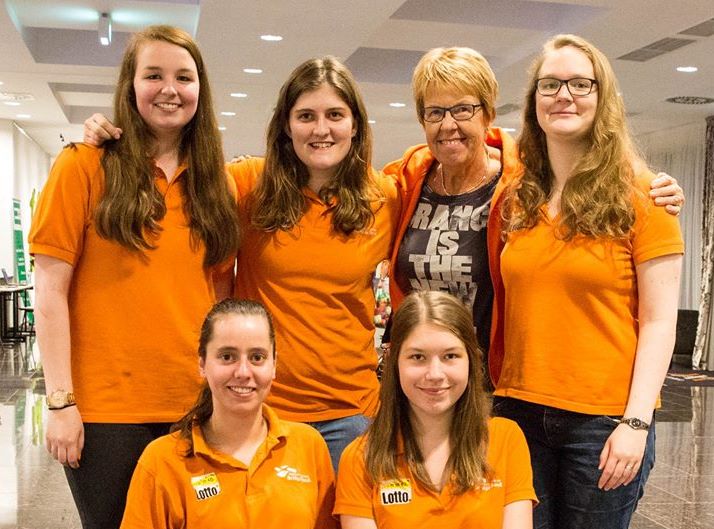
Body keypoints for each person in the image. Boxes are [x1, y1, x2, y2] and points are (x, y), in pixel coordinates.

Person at [83, 57, 401, 470]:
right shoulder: (250, 184)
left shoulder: (385, 198)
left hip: (352, 412)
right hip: (261, 406)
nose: (321, 130)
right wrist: (113, 141)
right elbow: (172, 170)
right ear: (286, 126)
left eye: (335, 115)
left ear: (355, 124)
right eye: (306, 116)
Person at [29, 25, 239, 529]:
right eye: (154, 75)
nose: (170, 89)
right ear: (131, 84)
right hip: (105, 413)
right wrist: (60, 402)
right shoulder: (82, 166)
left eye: (184, 77)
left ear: (199, 91)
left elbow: (219, 299)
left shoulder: (217, 185)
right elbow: (50, 290)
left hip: (194, 408)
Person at [383, 47, 684, 371]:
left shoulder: (525, 179)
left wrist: (650, 186)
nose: (448, 124)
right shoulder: (403, 183)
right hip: (415, 377)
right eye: (435, 112)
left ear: (487, 114)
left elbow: (592, 165)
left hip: (494, 382)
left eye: (462, 110)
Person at [493, 34, 684, 529]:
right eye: (550, 84)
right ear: (533, 99)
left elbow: (661, 322)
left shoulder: (644, 196)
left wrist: (636, 423)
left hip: (603, 422)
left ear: (603, 99)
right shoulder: (518, 198)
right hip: (517, 411)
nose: (564, 95)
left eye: (581, 83)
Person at [120, 298, 336, 529]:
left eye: (257, 357)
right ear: (202, 363)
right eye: (227, 357)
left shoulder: (309, 446)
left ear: (274, 365)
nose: (243, 372)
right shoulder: (161, 461)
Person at [335, 290, 536, 529]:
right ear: (395, 363)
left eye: (450, 356)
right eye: (418, 357)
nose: (435, 374)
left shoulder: (506, 439)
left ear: (471, 361)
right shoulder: (361, 458)